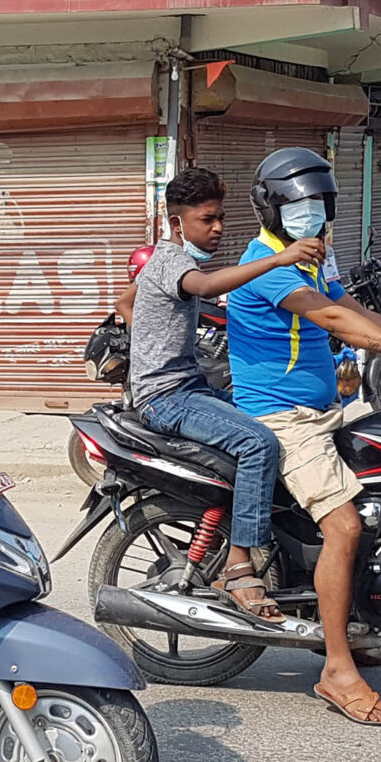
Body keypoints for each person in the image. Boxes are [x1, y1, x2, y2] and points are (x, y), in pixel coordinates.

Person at [225, 147, 381, 729]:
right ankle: (336, 668)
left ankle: (349, 618)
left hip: (325, 407)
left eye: (318, 203)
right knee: (345, 525)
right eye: (299, 204)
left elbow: (349, 305)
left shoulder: (316, 257)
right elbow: (333, 323)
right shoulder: (267, 263)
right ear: (273, 207)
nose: (311, 213)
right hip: (283, 416)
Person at [130, 166, 328, 619]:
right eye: (207, 219)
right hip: (165, 398)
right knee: (258, 442)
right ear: (177, 223)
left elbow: (130, 300)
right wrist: (278, 260)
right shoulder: (171, 261)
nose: (218, 227)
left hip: (188, 385)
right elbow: (202, 286)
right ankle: (238, 566)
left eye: (220, 217)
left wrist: (150, 334)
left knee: (269, 420)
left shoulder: (166, 264)